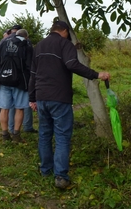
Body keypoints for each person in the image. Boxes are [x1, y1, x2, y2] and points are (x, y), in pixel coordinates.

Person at [28, 21, 110, 189]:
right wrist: (96, 74)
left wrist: (32, 98)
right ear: (65, 31)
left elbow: (33, 74)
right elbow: (72, 64)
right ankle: (60, 176)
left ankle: (46, 170)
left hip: (42, 97)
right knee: (62, 136)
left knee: (44, 134)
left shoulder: (39, 46)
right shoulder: (65, 44)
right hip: (59, 98)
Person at [0, 28, 33, 143]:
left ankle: (5, 135)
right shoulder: (26, 44)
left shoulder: (3, 43)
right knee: (19, 108)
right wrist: (31, 80)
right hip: (20, 81)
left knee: (4, 108)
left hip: (3, 79)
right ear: (26, 36)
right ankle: (16, 135)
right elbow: (30, 65)